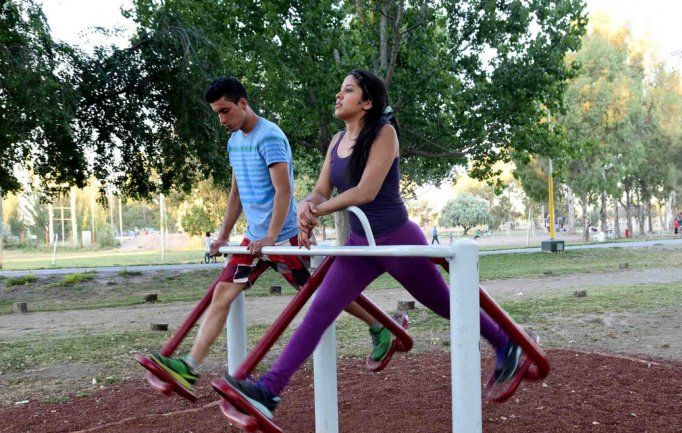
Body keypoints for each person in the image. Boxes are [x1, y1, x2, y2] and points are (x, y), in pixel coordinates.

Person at [222, 70, 523, 420]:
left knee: (446, 304)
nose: (338, 95)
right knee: (319, 310)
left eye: (347, 91)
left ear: (366, 102)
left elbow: (366, 191)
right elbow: (322, 190)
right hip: (359, 245)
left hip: (397, 240)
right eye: (339, 90)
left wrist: (317, 209)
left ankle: (506, 344)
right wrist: (306, 206)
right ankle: (269, 391)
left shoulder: (384, 133)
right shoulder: (336, 141)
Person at [144, 77, 393, 393]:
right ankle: (190, 368)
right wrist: (223, 235)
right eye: (216, 113)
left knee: (322, 292)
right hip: (253, 240)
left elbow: (284, 191)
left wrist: (273, 237)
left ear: (243, 104)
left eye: (225, 111)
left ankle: (380, 324)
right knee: (223, 293)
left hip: (283, 238)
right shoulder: (235, 141)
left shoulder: (270, 137)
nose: (221, 120)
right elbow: (237, 193)